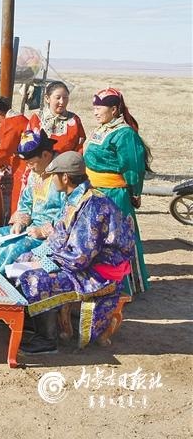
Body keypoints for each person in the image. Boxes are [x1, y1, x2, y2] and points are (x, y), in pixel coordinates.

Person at [14, 152, 136, 354]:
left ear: (65, 177)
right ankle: (33, 321)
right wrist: (38, 255)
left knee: (35, 279)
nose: (51, 180)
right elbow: (60, 235)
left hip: (98, 272)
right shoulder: (75, 198)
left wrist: (47, 263)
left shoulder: (93, 206)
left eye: (53, 176)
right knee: (21, 261)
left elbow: (80, 256)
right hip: (79, 263)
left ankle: (47, 340)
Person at [83, 87, 150, 294]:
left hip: (114, 195)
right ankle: (98, 283)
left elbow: (133, 167)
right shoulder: (102, 129)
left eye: (100, 108)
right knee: (96, 239)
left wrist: (135, 193)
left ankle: (123, 287)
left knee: (117, 239)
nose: (95, 112)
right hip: (95, 192)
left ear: (114, 109)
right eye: (94, 107)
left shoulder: (125, 134)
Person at [0, 130, 65, 274]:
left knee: (11, 249)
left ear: (46, 155)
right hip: (29, 229)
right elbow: (26, 201)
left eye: (31, 163)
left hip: (50, 236)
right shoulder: (36, 173)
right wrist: (20, 223)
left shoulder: (63, 177)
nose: (29, 167)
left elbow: (69, 215)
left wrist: (42, 231)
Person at [27, 81, 86, 153]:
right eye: (58, 98)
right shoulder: (36, 119)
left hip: (66, 160)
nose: (62, 102)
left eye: (65, 98)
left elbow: (79, 149)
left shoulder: (74, 120)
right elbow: (27, 147)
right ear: (47, 98)